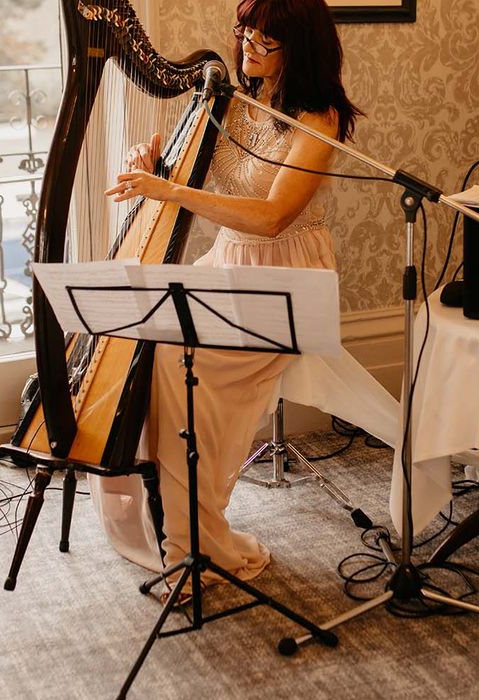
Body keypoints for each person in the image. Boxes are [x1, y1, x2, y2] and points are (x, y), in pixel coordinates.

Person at [90, 0, 365, 602]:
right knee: (156, 346)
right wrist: (155, 164)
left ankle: (192, 542)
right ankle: (187, 528)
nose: (248, 47)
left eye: (267, 41)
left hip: (286, 277)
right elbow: (191, 173)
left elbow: (272, 217)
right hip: (229, 267)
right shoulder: (235, 104)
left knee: (184, 367)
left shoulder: (317, 120)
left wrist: (171, 191)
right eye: (245, 32)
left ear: (302, 48)